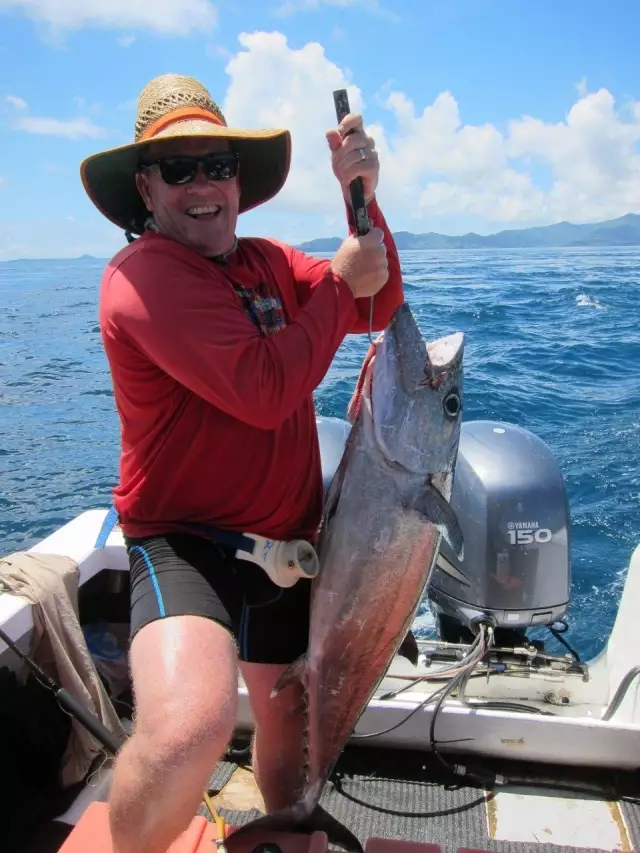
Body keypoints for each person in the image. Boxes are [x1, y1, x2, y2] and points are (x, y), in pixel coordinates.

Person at [80, 72, 404, 853]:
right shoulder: (142, 279)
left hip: (288, 543)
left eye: (217, 164)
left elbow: (376, 299)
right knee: (189, 730)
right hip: (186, 540)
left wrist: (362, 198)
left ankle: (286, 831)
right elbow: (264, 388)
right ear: (146, 189)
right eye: (180, 168)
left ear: (238, 182)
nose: (204, 184)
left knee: (293, 755)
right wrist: (338, 289)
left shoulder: (265, 260)